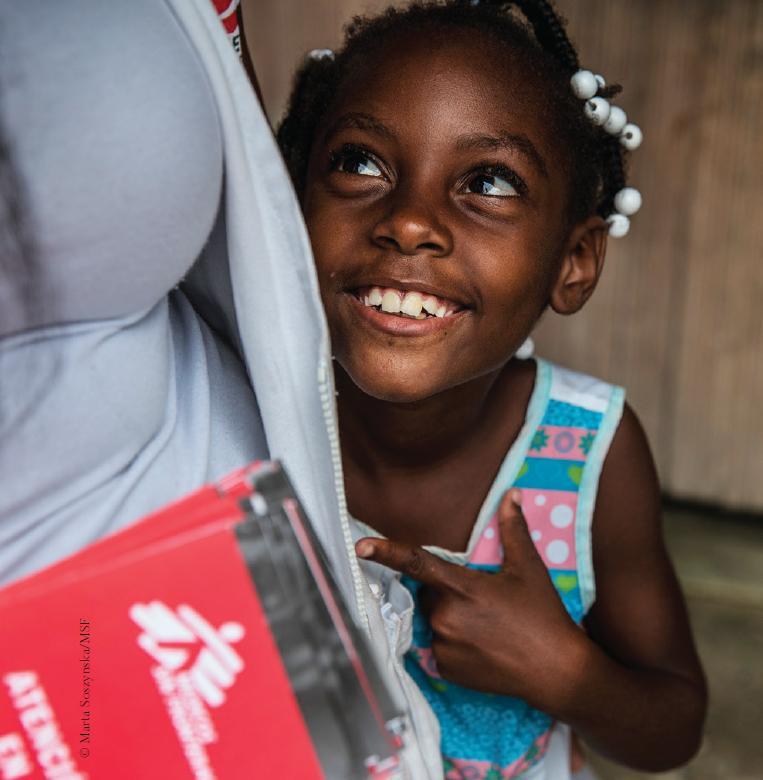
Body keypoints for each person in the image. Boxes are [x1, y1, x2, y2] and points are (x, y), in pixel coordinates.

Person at [276, 0, 707, 777]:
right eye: (359, 163)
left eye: (487, 181)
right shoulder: (249, 418)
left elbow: (671, 729)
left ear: (572, 262)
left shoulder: (587, 454)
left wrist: (563, 670)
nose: (409, 223)